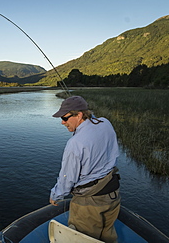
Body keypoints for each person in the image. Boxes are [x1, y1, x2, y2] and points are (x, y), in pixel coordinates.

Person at [49, 95, 121, 243]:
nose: (62, 122)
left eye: (65, 117)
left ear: (79, 114)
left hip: (89, 204)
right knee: (108, 237)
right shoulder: (105, 123)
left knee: (83, 238)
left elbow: (67, 178)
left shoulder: (75, 143)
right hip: (113, 194)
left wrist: (56, 195)